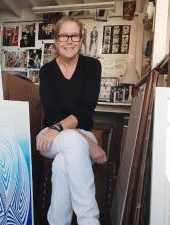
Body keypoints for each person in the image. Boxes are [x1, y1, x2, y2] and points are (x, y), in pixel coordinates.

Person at [36, 17, 107, 225]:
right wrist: (89, 143)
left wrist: (79, 136)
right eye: (63, 36)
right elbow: (53, 113)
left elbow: (86, 110)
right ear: (56, 41)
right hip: (50, 136)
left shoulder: (92, 67)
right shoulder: (47, 71)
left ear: (81, 39)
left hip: (78, 133)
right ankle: (89, 220)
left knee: (61, 165)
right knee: (74, 142)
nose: (69, 41)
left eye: (74, 35)